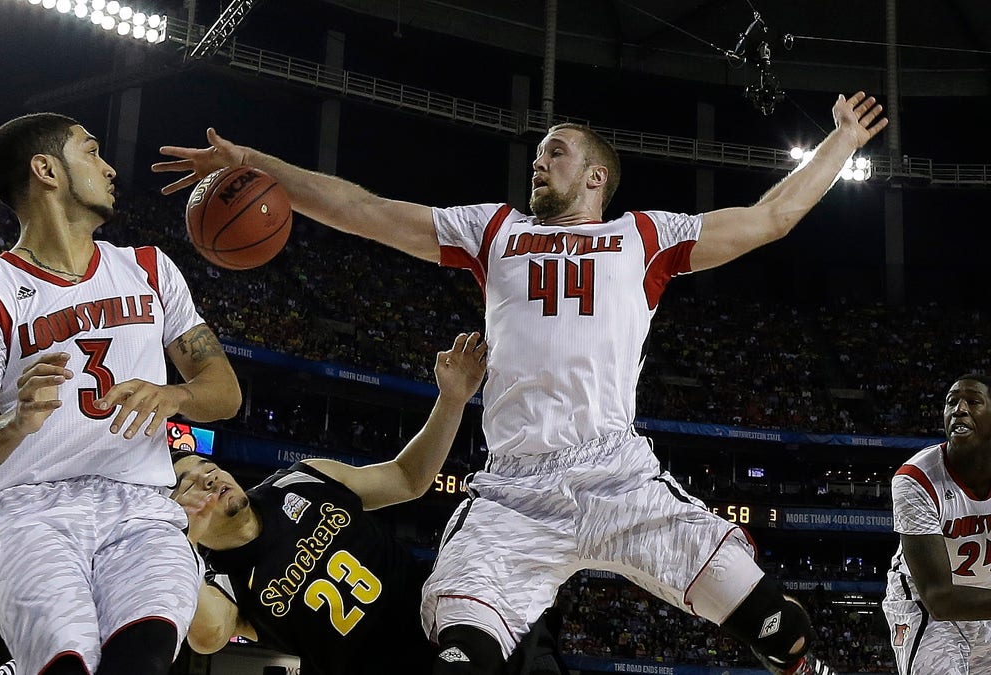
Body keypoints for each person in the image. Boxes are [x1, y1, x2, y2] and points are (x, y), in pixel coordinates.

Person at [152, 91, 888, 675]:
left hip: (616, 474)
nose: (539, 163)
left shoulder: (646, 237)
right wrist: (257, 163)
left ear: (596, 175)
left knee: (778, 627)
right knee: (459, 657)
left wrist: (841, 143)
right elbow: (366, 212)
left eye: (556, 153)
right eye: (537, 155)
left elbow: (772, 216)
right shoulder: (493, 229)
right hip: (512, 495)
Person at [0, 113, 242, 675]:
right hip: (33, 509)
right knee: (67, 665)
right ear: (46, 170)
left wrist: (173, 397)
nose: (109, 166)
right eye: (92, 151)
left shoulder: (150, 269)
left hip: (144, 505)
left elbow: (225, 393)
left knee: (140, 659)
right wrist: (14, 423)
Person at [176, 333, 486, 675]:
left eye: (210, 467)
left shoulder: (301, 479)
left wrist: (452, 401)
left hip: (448, 626)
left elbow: (407, 478)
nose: (208, 478)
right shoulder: (221, 578)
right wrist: (182, 541)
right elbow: (208, 637)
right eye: (188, 483)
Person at [883, 375, 991, 674]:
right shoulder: (915, 479)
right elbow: (939, 598)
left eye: (973, 401)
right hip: (925, 605)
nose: (958, 409)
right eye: (951, 402)